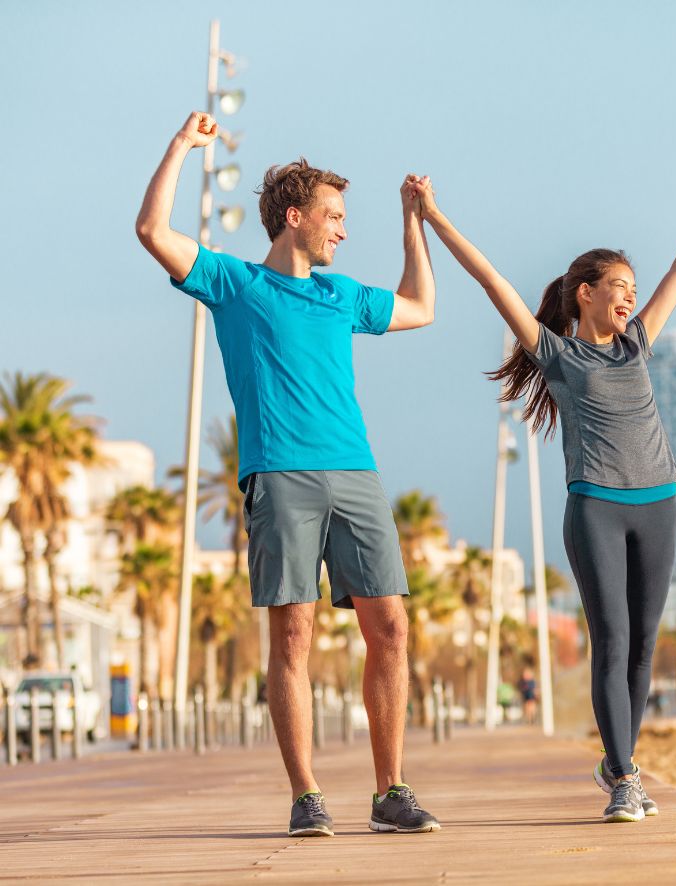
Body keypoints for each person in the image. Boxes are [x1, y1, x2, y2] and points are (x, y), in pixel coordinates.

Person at [136, 111, 441, 837]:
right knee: (294, 636)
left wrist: (412, 222)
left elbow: (423, 307)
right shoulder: (235, 283)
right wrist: (181, 146)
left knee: (391, 628)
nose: (341, 229)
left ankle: (390, 791)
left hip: (356, 474)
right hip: (280, 475)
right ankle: (307, 795)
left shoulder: (343, 297)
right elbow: (152, 231)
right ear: (294, 217)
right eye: (333, 216)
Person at [412, 173, 676, 823]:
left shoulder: (638, 342)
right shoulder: (556, 354)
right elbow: (492, 282)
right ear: (585, 294)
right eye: (618, 287)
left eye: (634, 290)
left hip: (659, 502)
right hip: (595, 505)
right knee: (612, 639)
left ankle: (619, 764)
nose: (631, 297)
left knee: (645, 645)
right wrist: (433, 214)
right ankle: (624, 779)